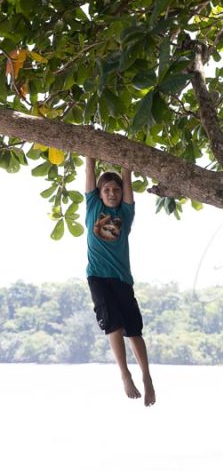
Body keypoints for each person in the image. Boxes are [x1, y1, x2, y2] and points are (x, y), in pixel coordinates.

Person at [85, 156, 155, 407]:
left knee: (134, 331)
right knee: (113, 325)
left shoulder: (125, 212)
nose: (112, 193)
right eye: (106, 190)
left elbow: (127, 175)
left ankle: (147, 377)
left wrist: (126, 159)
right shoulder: (92, 206)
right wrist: (91, 153)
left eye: (116, 189)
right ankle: (125, 374)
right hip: (97, 277)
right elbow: (90, 168)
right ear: (99, 193)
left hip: (122, 279)